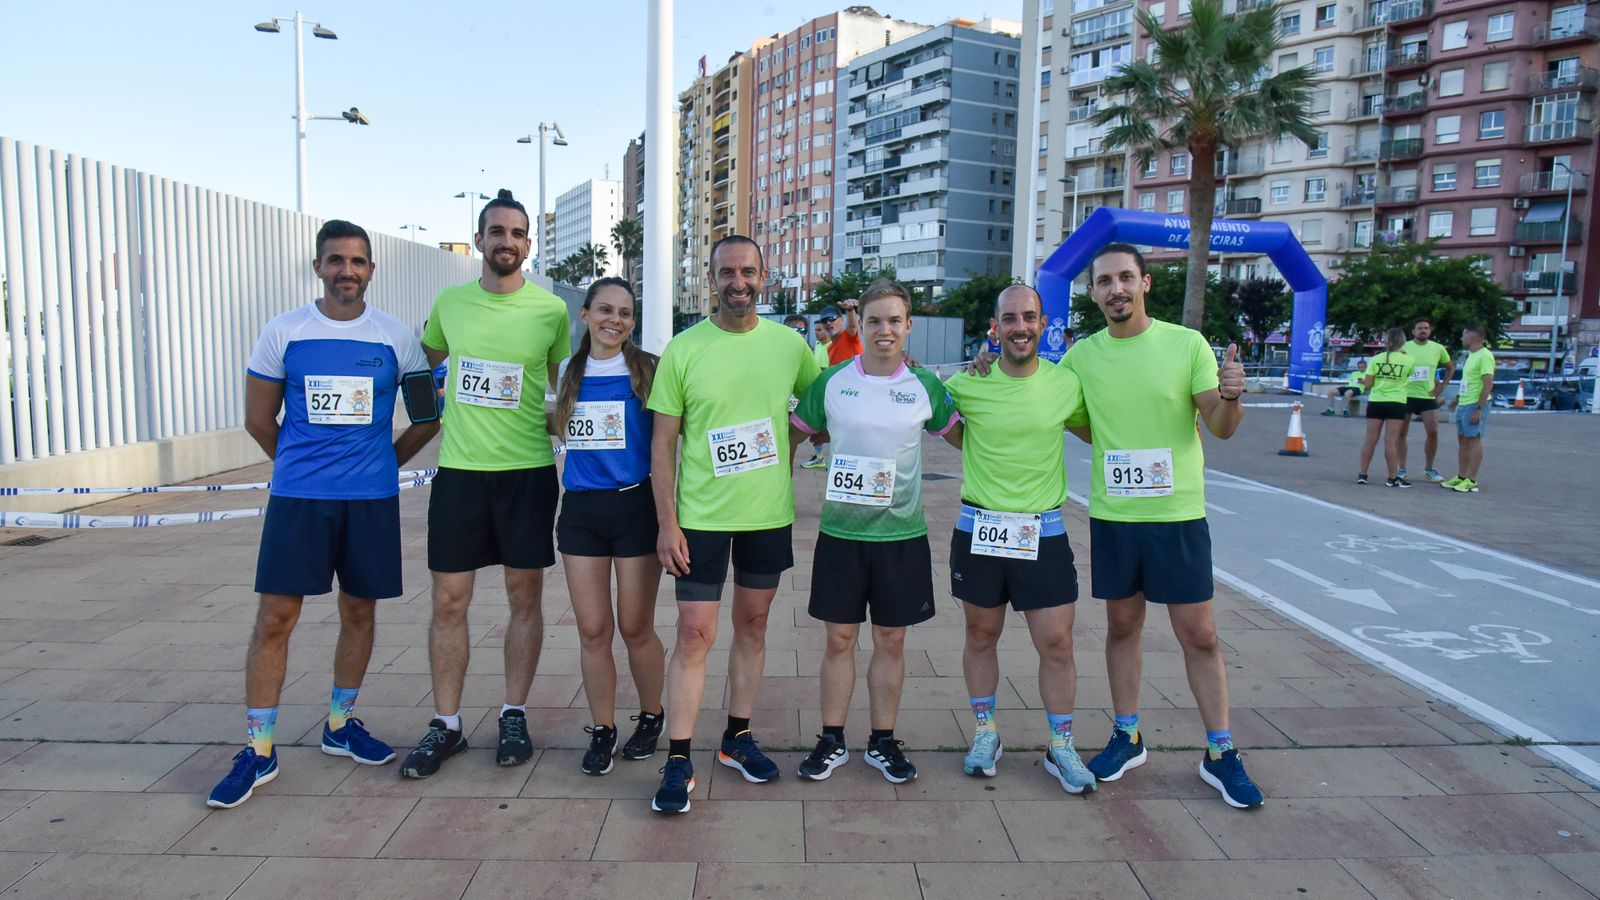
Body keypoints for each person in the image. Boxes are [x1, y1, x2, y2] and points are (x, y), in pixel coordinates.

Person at [209, 220, 438, 808]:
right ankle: (259, 749)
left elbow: (426, 417)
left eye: (357, 261)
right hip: (299, 501)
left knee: (359, 612)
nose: (346, 271)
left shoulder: (395, 338)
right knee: (276, 617)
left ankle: (340, 724)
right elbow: (258, 420)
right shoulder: (284, 331)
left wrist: (383, 464)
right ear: (318, 267)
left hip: (369, 502)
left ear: (371, 270)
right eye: (335, 260)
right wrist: (300, 466)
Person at [1065, 243, 1264, 810]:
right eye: (1105, 281)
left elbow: (1220, 425)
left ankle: (1220, 751)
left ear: (1145, 283)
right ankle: (1127, 736)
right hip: (1115, 516)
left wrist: (1231, 395)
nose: (1116, 289)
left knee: (1199, 634)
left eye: (1126, 277)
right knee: (1122, 626)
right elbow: (1077, 422)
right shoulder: (1082, 357)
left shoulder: (1186, 344)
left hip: (1177, 516)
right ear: (1094, 293)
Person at [646, 235, 821, 814]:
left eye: (748, 272)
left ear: (763, 277)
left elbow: (823, 407)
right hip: (701, 520)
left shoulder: (790, 346)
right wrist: (667, 522)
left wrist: (788, 443)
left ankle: (736, 737)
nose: (738, 282)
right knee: (694, 633)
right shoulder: (684, 350)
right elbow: (662, 444)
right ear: (711, 279)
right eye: (727, 272)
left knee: (754, 625)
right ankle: (678, 758)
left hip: (766, 515)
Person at [401, 190, 571, 779]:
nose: (507, 242)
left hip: (527, 474)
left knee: (525, 599)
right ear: (479, 240)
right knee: (449, 601)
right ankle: (446, 724)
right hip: (460, 475)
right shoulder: (450, 303)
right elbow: (420, 370)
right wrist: (422, 421)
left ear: (528, 244)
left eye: (517, 233)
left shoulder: (551, 311)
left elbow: (560, 392)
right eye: (497, 232)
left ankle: (513, 714)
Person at [789, 278, 957, 784]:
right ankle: (831, 739)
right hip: (841, 536)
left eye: (894, 321)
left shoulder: (926, 386)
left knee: (891, 640)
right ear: (859, 325)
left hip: (901, 537)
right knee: (839, 640)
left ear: (908, 326)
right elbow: (792, 434)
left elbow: (968, 439)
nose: (885, 330)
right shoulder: (832, 381)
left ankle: (883, 741)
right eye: (875, 320)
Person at [943, 284, 1097, 794]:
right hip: (981, 529)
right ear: (995, 327)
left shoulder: (1065, 385)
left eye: (1029, 317)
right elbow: (940, 421)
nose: (1020, 327)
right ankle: (985, 733)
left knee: (1056, 642)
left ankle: (1062, 745)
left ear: (1043, 323)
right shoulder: (967, 383)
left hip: (1042, 532)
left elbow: (1102, 429)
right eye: (1009, 318)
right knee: (980, 636)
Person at [553, 278, 667, 775]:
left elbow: (668, 443)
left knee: (635, 626)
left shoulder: (649, 369)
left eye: (624, 313)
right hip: (581, 511)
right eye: (605, 310)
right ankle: (602, 729)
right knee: (593, 629)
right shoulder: (567, 371)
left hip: (635, 507)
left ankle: (652, 715)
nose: (614, 320)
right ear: (585, 315)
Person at [1357, 328, 1416, 487]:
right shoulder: (1409, 360)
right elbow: (1408, 377)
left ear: (1386, 341)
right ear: (1402, 342)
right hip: (1396, 402)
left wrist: (1363, 381)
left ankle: (1363, 474)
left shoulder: (1376, 359)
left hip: (1376, 401)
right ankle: (1392, 477)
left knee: (1370, 440)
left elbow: (1368, 384)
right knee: (1391, 441)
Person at [1398, 317, 1455, 482]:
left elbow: (1450, 367)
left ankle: (1429, 469)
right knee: (1401, 432)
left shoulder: (1438, 348)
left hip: (1427, 396)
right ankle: (1401, 469)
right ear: (1413, 331)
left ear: (1430, 331)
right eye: (1420, 328)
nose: (1423, 331)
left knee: (1433, 432)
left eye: (1426, 328)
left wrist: (1442, 386)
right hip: (1405, 395)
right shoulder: (1404, 347)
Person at [1443, 324, 1494, 493]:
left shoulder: (1485, 356)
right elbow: (1469, 381)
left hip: (1475, 403)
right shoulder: (1471, 355)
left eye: (1463, 335)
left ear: (1471, 337)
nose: (1461, 338)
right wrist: (1458, 398)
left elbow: (1488, 383)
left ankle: (1472, 480)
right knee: (1463, 440)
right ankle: (1461, 476)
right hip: (1465, 402)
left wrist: (1479, 408)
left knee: (1474, 439)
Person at [801, 320, 833, 470]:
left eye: (820, 330)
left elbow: (831, 368)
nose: (816, 333)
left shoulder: (831, 345)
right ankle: (819, 456)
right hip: (818, 389)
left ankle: (831, 458)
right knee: (816, 426)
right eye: (815, 330)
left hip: (828, 391)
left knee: (830, 427)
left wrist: (819, 370)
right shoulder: (818, 345)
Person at [825, 298, 864, 365]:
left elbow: (852, 326)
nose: (828, 323)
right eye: (824, 320)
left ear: (841, 319)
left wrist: (850, 309)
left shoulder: (848, 336)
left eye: (832, 319)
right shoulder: (829, 348)